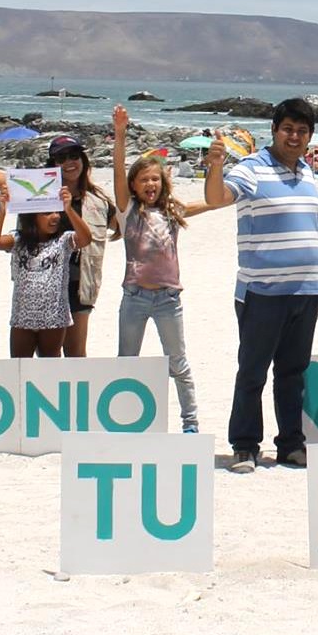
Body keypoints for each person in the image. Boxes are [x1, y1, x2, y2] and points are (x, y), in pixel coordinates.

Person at [204, 98, 318, 473]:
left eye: (302, 131)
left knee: (293, 373)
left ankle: (290, 445)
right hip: (262, 291)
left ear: (309, 136)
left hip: (307, 291)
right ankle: (245, 446)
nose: (294, 136)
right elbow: (217, 199)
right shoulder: (252, 169)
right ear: (275, 130)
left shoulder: (308, 173)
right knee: (252, 371)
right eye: (288, 129)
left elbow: (310, 219)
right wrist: (214, 167)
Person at [0, 111, 119, 357]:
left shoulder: (98, 199)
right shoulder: (38, 191)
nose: (70, 162)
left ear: (83, 159)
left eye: (74, 156)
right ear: (53, 164)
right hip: (41, 285)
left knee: (75, 352)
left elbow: (123, 226)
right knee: (44, 357)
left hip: (79, 283)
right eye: (61, 158)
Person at [112, 106, 209, 434]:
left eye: (155, 178)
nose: (150, 183)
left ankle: (190, 424)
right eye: (144, 180)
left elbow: (212, 201)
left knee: (178, 364)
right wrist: (121, 135)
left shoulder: (172, 211)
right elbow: (116, 170)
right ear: (134, 186)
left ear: (163, 181)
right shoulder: (128, 212)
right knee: (127, 364)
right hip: (135, 298)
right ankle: (123, 423)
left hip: (169, 299)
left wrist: (223, 178)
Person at [0, 182, 92, 358]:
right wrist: (2, 210)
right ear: (32, 216)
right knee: (19, 368)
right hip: (22, 318)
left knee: (49, 366)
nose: (55, 217)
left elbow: (86, 238)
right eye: (46, 213)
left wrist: (69, 209)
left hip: (53, 318)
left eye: (56, 212)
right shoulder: (18, 240)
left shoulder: (63, 241)